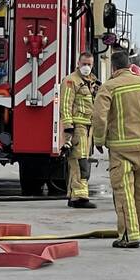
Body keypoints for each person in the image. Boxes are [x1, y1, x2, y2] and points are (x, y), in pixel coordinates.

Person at [91, 49, 140, 248]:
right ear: (129, 65)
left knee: (124, 194)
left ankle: (129, 236)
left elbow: (99, 118)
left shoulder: (109, 87)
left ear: (113, 67)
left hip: (121, 150)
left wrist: (98, 141)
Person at [60, 51, 99, 208]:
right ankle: (80, 197)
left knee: (79, 160)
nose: (86, 67)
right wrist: (68, 127)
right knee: (79, 161)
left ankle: (73, 195)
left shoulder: (92, 82)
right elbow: (65, 104)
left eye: (89, 64)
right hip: (77, 126)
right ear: (78, 63)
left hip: (88, 127)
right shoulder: (71, 81)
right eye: (84, 64)